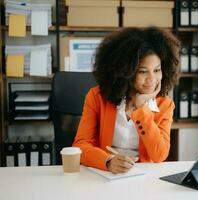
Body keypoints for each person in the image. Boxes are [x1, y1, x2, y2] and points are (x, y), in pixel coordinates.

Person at [73, 26, 180, 174]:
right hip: (105, 174)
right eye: (143, 71)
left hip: (143, 178)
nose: (152, 80)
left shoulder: (165, 105)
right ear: (126, 72)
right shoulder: (96, 97)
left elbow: (159, 155)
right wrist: (108, 161)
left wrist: (142, 110)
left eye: (156, 70)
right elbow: (80, 145)